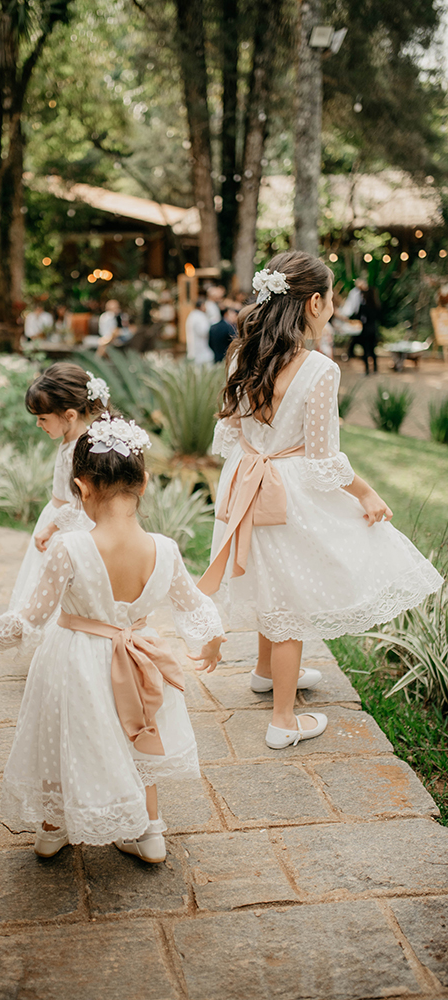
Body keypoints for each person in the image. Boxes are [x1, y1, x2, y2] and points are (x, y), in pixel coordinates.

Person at [199, 250, 443, 751]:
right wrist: (366, 492)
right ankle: (284, 721)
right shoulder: (319, 369)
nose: (332, 307)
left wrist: (255, 457)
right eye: (330, 299)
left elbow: (227, 437)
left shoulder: (241, 352)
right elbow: (323, 460)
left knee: (270, 577)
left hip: (242, 481)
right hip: (284, 490)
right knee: (289, 600)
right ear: (313, 302)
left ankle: (266, 673)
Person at [0, 414, 225, 861]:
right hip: (140, 658)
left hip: (75, 663)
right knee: (138, 735)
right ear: (144, 480)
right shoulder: (165, 549)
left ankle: (52, 827)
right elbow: (194, 603)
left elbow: (30, 619)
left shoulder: (70, 548)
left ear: (80, 487)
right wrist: (211, 640)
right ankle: (149, 831)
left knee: (65, 737)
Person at [7, 364, 110, 614]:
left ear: (70, 415)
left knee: (58, 583)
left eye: (43, 419)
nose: (38, 425)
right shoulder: (70, 439)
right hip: (56, 515)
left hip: (68, 524)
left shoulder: (80, 449)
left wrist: (52, 528)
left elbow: (81, 502)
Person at [355, 286, 382, 375]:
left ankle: (367, 370)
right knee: (373, 350)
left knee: (366, 351)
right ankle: (375, 369)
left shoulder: (364, 306)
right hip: (374, 330)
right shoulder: (376, 305)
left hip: (366, 331)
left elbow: (358, 316)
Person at [185, 298, 214, 364]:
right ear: (202, 306)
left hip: (197, 347)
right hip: (200, 348)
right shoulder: (199, 316)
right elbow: (203, 331)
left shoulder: (193, 315)